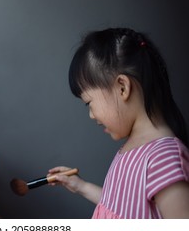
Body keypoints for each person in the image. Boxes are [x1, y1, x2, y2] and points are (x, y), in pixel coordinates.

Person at [48, 28, 189, 218]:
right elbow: (121, 210)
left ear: (122, 87)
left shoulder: (163, 158)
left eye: (89, 103)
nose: (91, 115)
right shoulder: (132, 149)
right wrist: (81, 186)